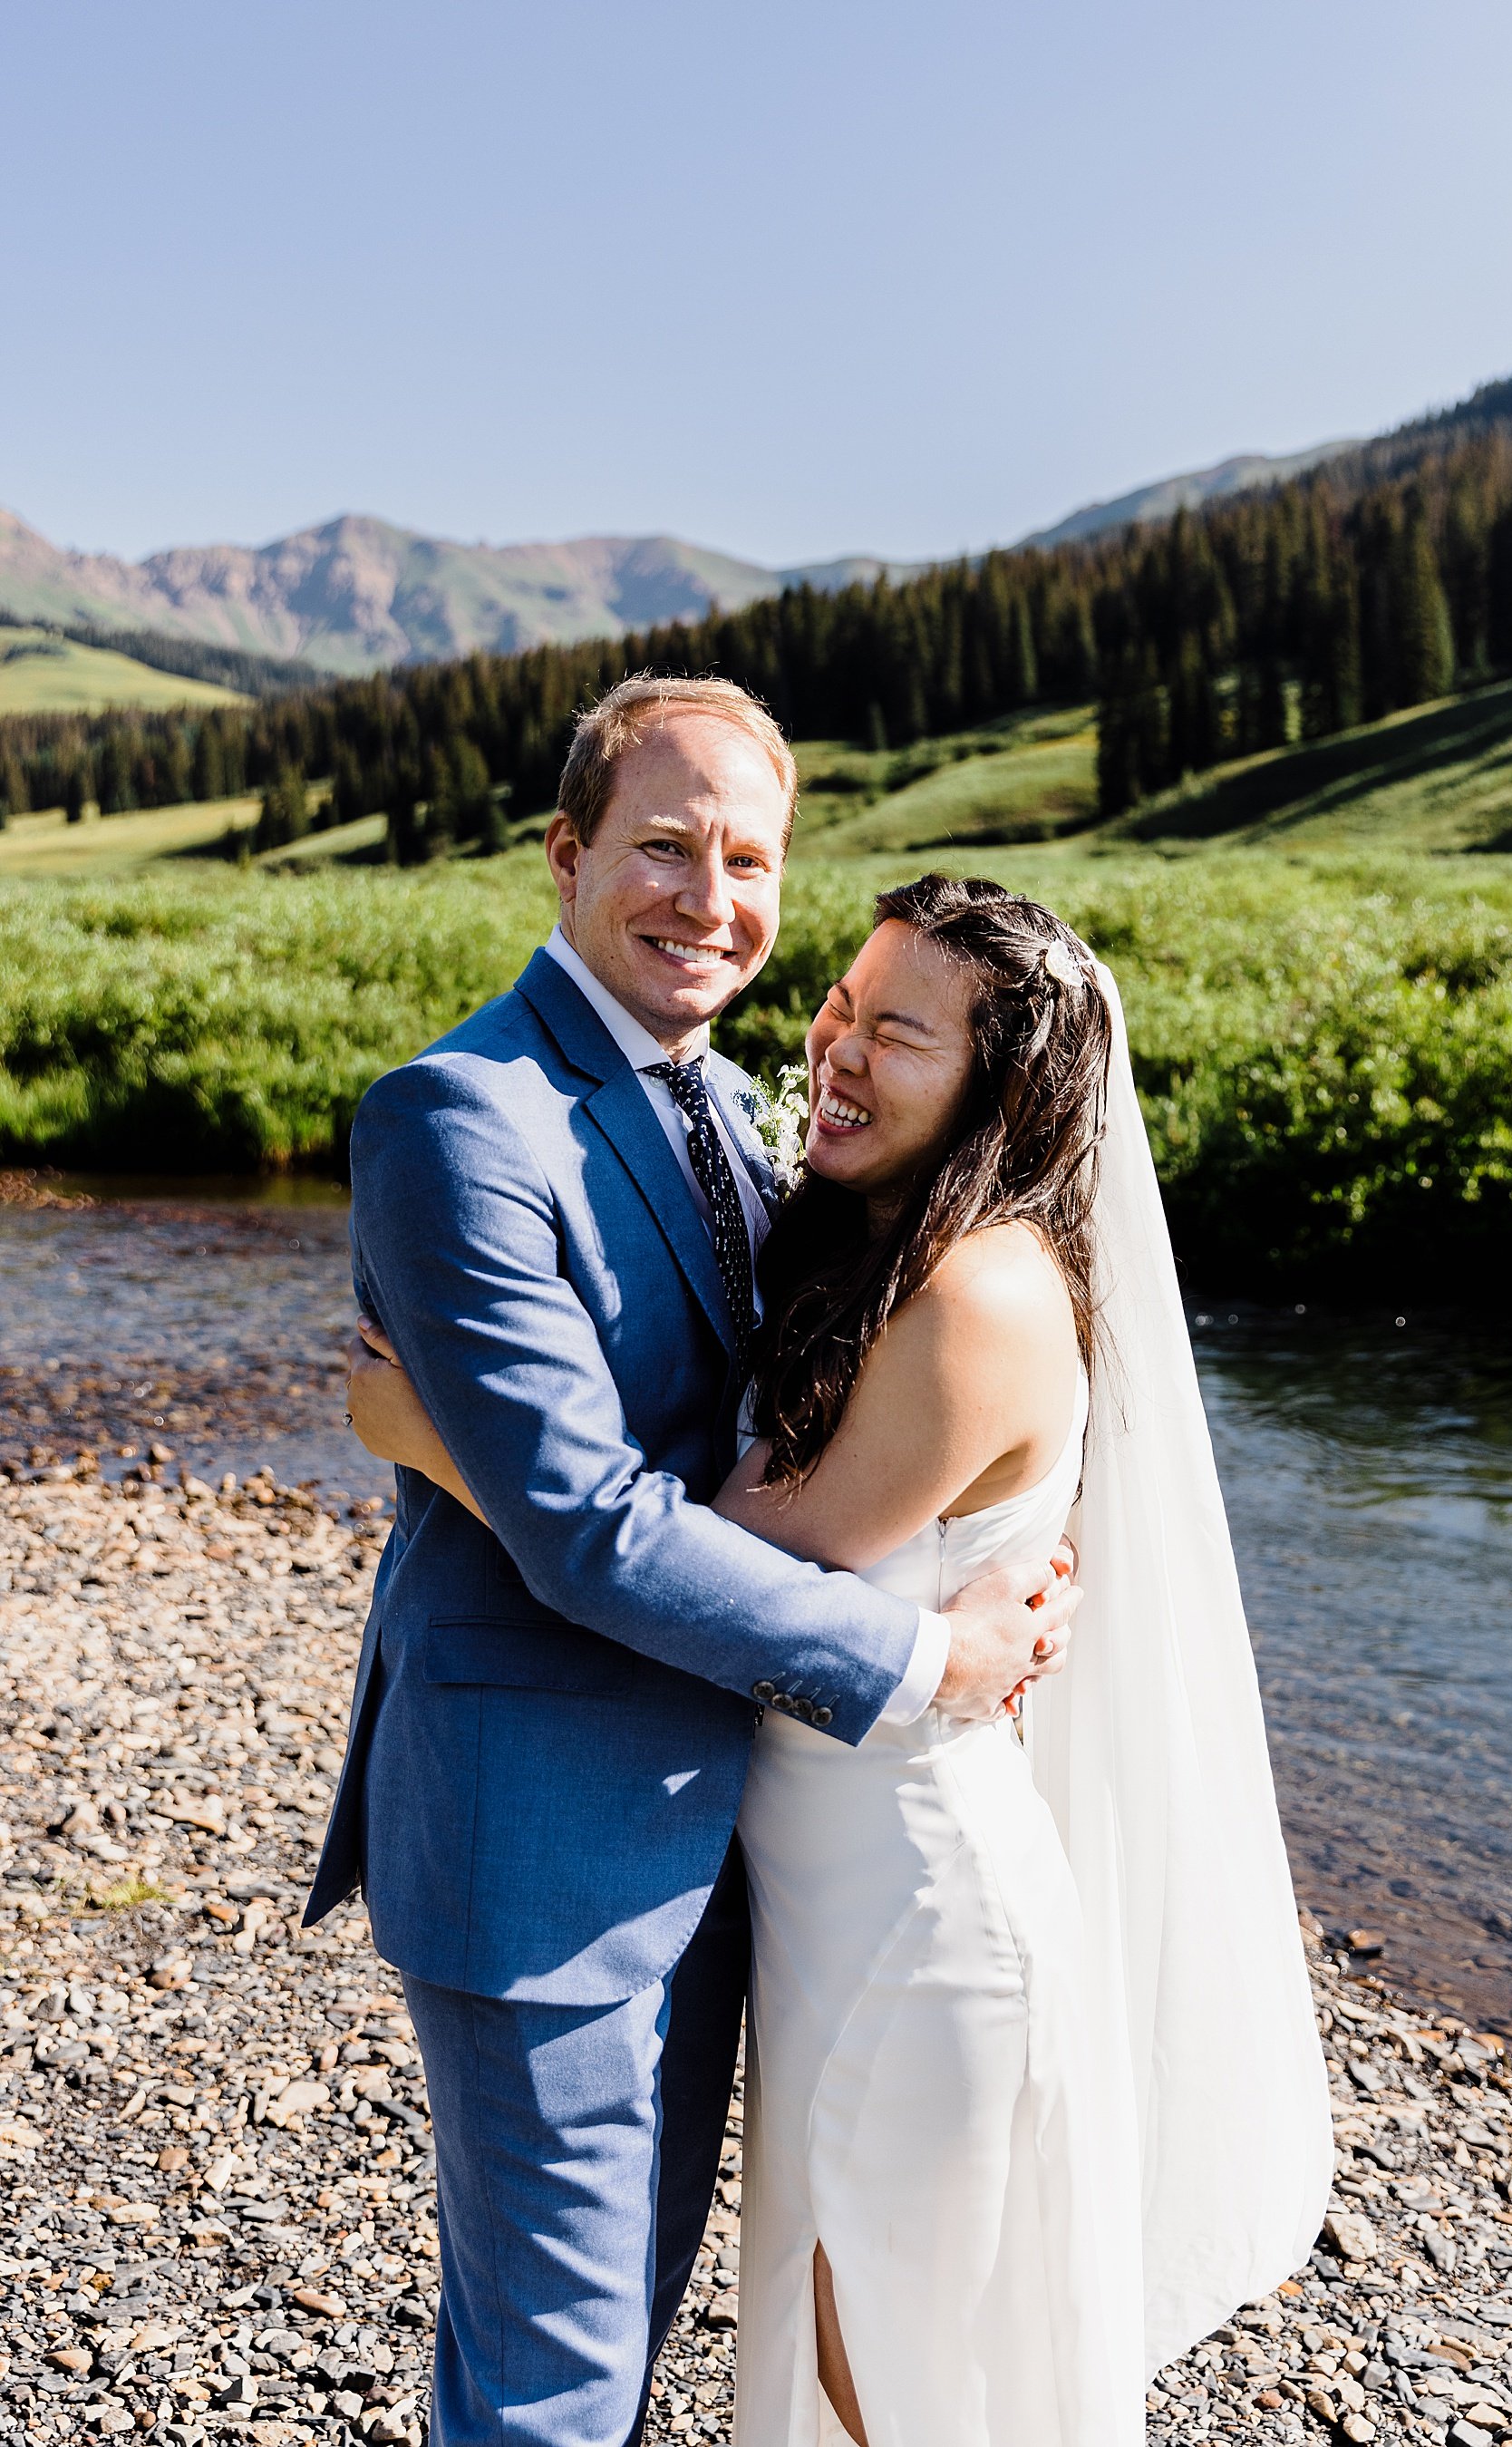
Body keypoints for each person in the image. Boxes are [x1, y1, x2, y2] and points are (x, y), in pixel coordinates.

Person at [352, 869, 1334, 2445]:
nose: (840, 1052)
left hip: (918, 1917)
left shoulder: (976, 1294)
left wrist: (451, 1447)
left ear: (999, 1085)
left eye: (903, 1035)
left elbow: (725, 1562)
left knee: (891, 2381)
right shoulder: (871, 1239)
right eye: (843, 1005)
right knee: (839, 2356)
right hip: (822, 1901)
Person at [308, 678, 1079, 2447]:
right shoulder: (459, 1121)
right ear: (567, 856)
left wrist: (1028, 1513)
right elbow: (587, 1528)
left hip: (737, 1842)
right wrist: (923, 1664)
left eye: (749, 860)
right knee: (558, 2392)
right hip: (549, 1848)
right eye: (663, 845)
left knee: (602, 2356)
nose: (707, 896)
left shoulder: (732, 1109)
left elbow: (838, 1404)